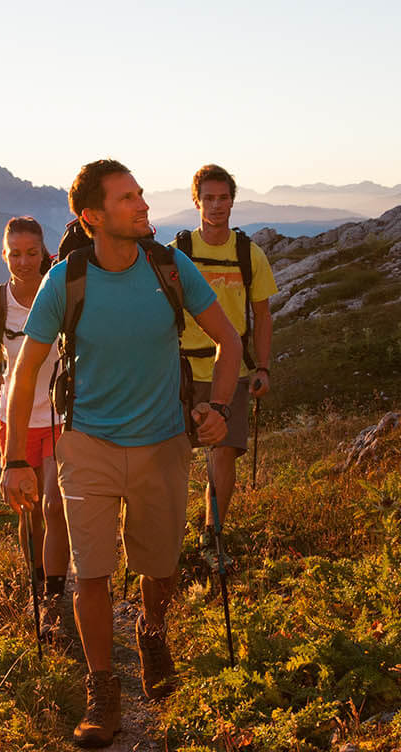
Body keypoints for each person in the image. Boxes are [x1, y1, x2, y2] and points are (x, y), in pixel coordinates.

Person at [2, 159, 241, 747]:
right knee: (92, 571)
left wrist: (221, 409)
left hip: (163, 442)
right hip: (87, 444)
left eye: (140, 194)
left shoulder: (169, 266)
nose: (143, 206)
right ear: (92, 217)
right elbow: (26, 371)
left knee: (160, 566)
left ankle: (153, 634)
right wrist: (14, 460)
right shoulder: (67, 280)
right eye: (128, 198)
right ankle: (102, 687)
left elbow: (229, 341)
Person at [0, 216, 72, 641]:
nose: (23, 262)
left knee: (55, 506)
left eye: (32, 253)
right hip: (18, 417)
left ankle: (53, 596)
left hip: (64, 415)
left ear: (45, 253)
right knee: (30, 514)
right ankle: (39, 577)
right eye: (15, 254)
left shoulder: (61, 293)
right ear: (3, 254)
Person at [171, 164, 277, 545]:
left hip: (232, 371)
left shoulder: (250, 255)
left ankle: (211, 534)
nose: (217, 206)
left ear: (233, 200)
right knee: (173, 461)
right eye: (209, 198)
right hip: (180, 371)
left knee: (223, 456)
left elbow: (262, 317)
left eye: (224, 198)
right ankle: (170, 536)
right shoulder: (176, 254)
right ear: (196, 201)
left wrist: (262, 367)